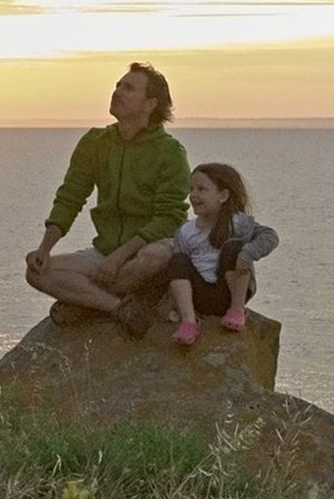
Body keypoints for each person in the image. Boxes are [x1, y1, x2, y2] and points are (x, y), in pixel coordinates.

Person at [23, 63, 191, 326]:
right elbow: (71, 197)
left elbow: (170, 217)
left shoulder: (170, 152)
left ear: (150, 104)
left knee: (154, 257)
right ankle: (114, 307)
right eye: (117, 85)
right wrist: (44, 249)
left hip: (148, 249)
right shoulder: (95, 143)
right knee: (36, 274)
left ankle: (84, 302)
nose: (117, 92)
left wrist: (121, 256)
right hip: (105, 252)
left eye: (129, 88)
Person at [119, 162, 279, 344]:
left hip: (229, 290)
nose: (194, 195)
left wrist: (248, 254)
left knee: (233, 248)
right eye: (191, 189)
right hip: (200, 294)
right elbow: (179, 272)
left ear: (223, 195)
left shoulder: (237, 223)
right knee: (178, 259)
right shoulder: (186, 231)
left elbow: (270, 236)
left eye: (202, 189)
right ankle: (189, 322)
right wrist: (170, 301)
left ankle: (236, 310)